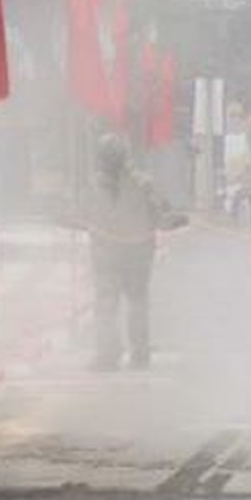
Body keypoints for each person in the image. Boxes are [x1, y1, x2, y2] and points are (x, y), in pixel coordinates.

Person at [81, 134, 186, 370]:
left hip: (106, 255)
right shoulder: (143, 183)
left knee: (106, 304)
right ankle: (140, 352)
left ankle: (108, 355)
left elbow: (83, 217)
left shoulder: (93, 187)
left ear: (101, 159)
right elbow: (160, 217)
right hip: (138, 253)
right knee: (137, 302)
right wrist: (177, 220)